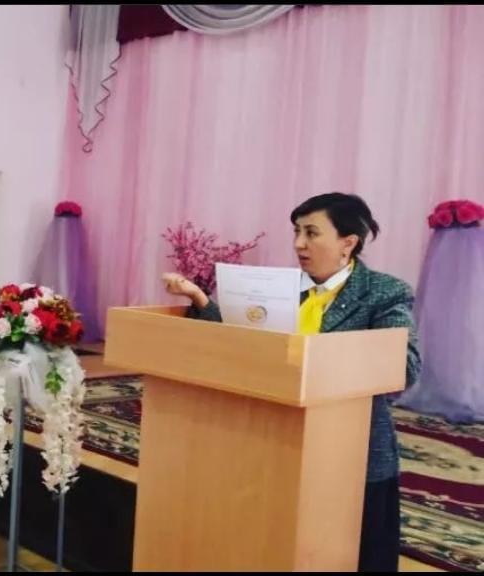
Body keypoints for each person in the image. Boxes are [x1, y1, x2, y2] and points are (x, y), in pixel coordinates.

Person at [163, 192, 420, 572]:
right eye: (297, 232)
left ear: (348, 242)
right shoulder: (281, 288)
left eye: (311, 233)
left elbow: (404, 365)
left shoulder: (384, 292)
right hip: (277, 442)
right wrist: (199, 298)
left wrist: (315, 356)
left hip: (351, 453)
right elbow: (244, 340)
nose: (299, 243)